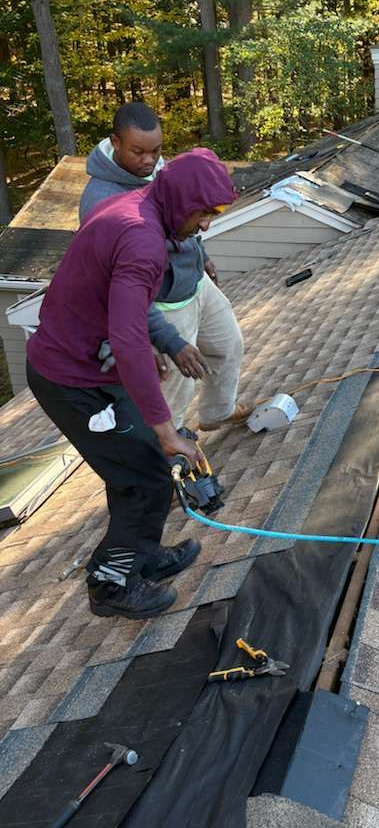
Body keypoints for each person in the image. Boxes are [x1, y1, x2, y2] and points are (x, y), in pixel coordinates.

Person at [27, 149, 237, 620]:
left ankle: (142, 557)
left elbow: (135, 308)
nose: (205, 225)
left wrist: (169, 345)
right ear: (182, 201)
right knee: (142, 477)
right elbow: (126, 338)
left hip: (89, 368)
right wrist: (166, 429)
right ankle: (110, 584)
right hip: (70, 380)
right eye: (203, 213)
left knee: (144, 467)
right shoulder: (142, 238)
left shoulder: (138, 209)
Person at [79, 102, 248, 432]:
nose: (149, 160)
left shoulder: (157, 168)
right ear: (115, 143)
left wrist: (201, 253)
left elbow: (189, 208)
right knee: (176, 382)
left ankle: (218, 412)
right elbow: (115, 285)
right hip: (161, 301)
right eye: (138, 152)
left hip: (193, 281)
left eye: (155, 151)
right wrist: (159, 338)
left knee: (229, 346)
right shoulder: (101, 202)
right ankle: (170, 446)